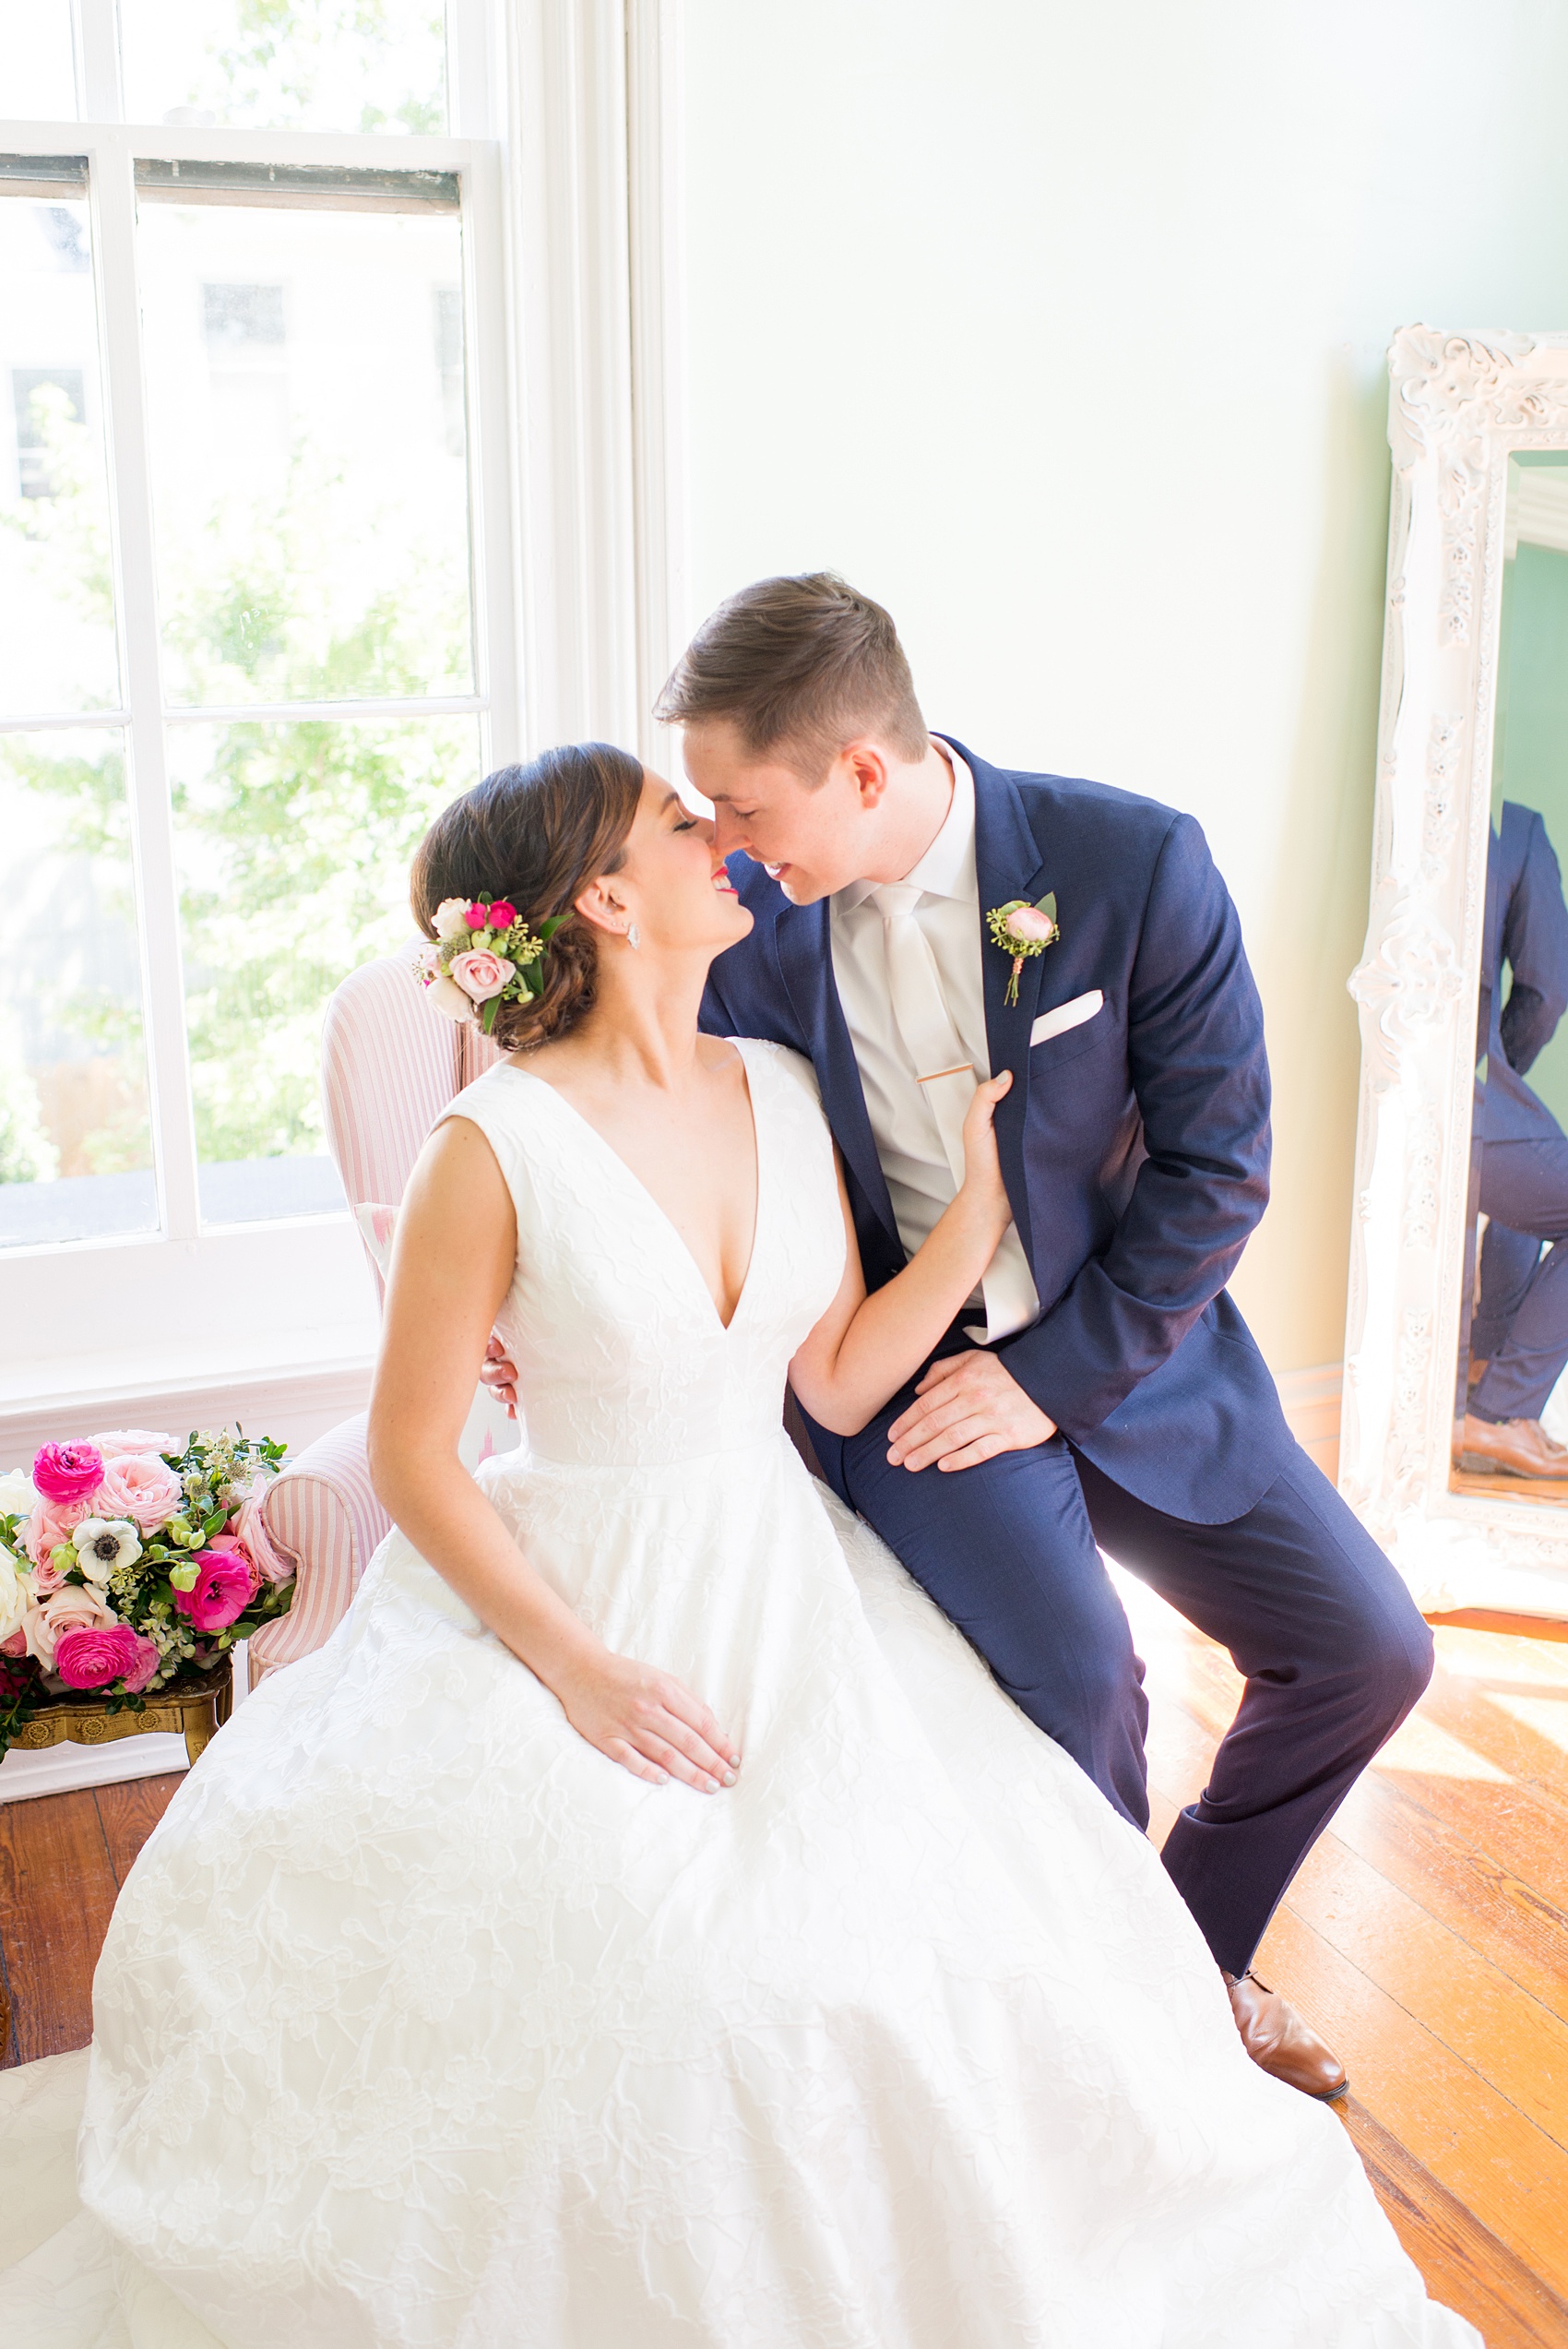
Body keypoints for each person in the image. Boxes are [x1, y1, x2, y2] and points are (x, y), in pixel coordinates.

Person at [6, 745, 1471, 2346]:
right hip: (577, 1580)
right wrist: (576, 1667)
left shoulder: (774, 1081)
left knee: (934, 1931)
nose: (726, 842)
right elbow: (422, 1458)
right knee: (656, 1974)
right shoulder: (484, 1146)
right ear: (609, 899)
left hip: (782, 1565)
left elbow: (835, 1371)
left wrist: (978, 1207)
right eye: (682, 823)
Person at [487, 574, 1436, 2102]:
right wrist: (545, 1289)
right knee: (1086, 1680)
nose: (721, 840)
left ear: (862, 773)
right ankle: (1089, 2050)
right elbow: (608, 1076)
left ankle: (1180, 1963)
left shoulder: (1132, 864)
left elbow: (1220, 1170)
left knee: (1370, 1653)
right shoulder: (745, 928)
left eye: (738, 804)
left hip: (1128, 1351)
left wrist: (1046, 1379)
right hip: (897, 1381)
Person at [1458, 799, 1568, 1476]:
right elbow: (1547, 990)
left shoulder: (1405, 793)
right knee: (1536, 1149)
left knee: (1537, 1147)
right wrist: (1498, 1076)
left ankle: (1485, 1373)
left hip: (1379, 1065)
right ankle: (1498, 1412)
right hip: (1467, 1082)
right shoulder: (1518, 829)